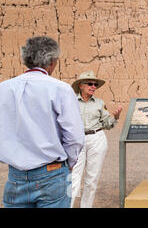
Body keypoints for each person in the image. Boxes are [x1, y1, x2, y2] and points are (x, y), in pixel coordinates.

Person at [0, 36, 85, 208]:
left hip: (15, 176)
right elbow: (75, 137)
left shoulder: (4, 89)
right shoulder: (60, 89)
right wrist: (69, 164)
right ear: (52, 61)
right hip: (51, 173)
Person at [70, 71, 122, 208]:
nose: (93, 86)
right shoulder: (71, 102)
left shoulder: (99, 103)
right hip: (77, 140)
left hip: (97, 138)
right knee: (73, 177)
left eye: (95, 84)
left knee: (92, 179)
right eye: (90, 84)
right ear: (81, 85)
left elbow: (106, 124)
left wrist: (115, 118)